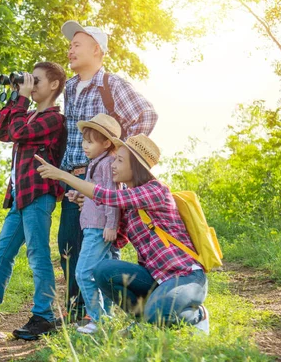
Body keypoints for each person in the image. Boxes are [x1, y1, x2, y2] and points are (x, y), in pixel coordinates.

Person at [35, 134, 210, 334]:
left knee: (159, 314)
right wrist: (89, 206)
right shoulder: (128, 207)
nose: (113, 165)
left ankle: (198, 315)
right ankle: (145, 320)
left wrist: (63, 175)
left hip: (184, 277)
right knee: (104, 270)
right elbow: (116, 241)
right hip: (154, 279)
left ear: (135, 166)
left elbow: (108, 196)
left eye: (119, 160)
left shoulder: (156, 190)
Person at [0, 62, 67, 341]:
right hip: (19, 196)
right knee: (2, 252)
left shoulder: (55, 119)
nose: (31, 84)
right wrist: (15, 95)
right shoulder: (27, 115)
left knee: (38, 255)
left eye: (36, 80)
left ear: (54, 85)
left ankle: (44, 316)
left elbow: (17, 133)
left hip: (39, 194)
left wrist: (20, 99)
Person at [57, 21, 158, 321]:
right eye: (70, 45)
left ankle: (96, 317)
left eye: (77, 44)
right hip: (74, 178)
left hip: (101, 181)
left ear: (96, 50)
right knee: (69, 244)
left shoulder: (111, 84)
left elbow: (147, 114)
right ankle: (85, 313)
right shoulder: (71, 87)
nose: (70, 49)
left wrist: (119, 155)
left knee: (96, 246)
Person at [65, 113, 121, 335]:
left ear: (106, 143)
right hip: (93, 225)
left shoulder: (107, 164)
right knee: (102, 274)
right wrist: (76, 194)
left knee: (83, 272)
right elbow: (93, 193)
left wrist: (111, 224)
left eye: (90, 141)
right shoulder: (95, 163)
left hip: (99, 227)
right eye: (83, 140)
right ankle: (107, 320)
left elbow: (111, 195)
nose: (84, 146)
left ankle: (97, 319)